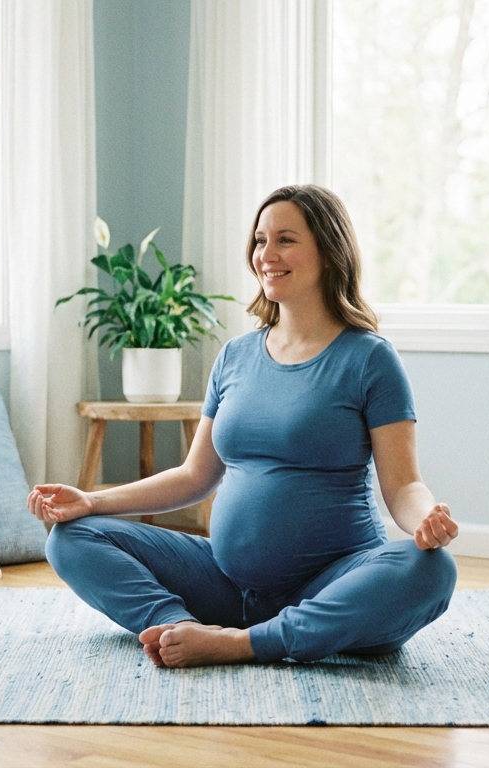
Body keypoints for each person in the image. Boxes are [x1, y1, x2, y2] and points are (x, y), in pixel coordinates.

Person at [28, 184, 458, 668]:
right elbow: (194, 477)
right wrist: (92, 501)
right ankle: (179, 626)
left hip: (331, 585)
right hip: (227, 585)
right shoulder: (235, 356)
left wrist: (425, 520)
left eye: (286, 240)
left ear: (329, 251)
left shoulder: (369, 359)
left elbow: (404, 487)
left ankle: (242, 644)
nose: (266, 255)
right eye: (259, 240)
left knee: (430, 571)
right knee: (71, 538)